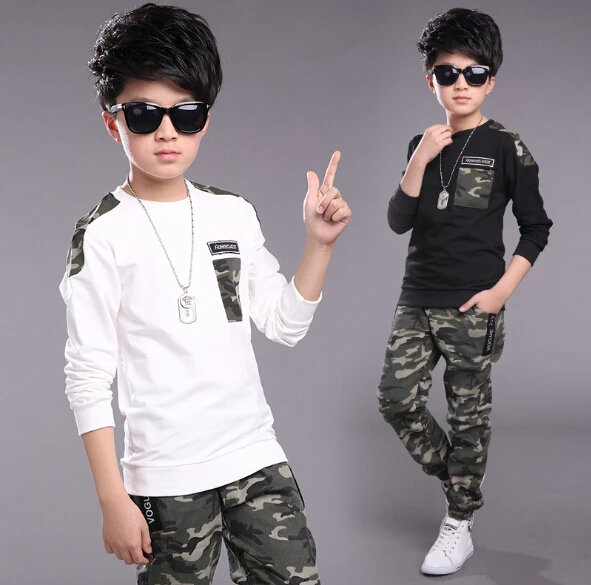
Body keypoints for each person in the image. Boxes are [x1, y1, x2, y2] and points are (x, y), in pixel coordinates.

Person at [58, 4, 351, 584]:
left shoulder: (232, 213)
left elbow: (284, 324)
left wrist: (319, 245)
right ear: (113, 122)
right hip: (166, 480)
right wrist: (113, 499)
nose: (167, 132)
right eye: (145, 114)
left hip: (254, 458)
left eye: (186, 113)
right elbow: (87, 374)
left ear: (205, 120)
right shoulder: (102, 234)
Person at [377, 7, 552, 576]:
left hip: (474, 306)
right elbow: (398, 220)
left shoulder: (506, 146)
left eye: (474, 73)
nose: (460, 83)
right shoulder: (421, 142)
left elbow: (536, 228)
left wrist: (501, 292)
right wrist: (419, 159)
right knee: (396, 400)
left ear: (490, 81)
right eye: (448, 72)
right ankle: (462, 479)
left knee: (467, 416)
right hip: (416, 298)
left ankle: (459, 522)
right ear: (431, 79)